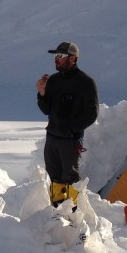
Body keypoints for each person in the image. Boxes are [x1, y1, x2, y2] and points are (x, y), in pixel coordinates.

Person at [36, 41, 99, 207]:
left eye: (60, 56)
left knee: (70, 178)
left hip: (70, 141)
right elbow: (47, 109)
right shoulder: (54, 80)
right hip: (52, 138)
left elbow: (91, 115)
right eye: (55, 56)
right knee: (54, 176)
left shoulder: (86, 83)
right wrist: (42, 94)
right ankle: (57, 211)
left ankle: (73, 214)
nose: (56, 59)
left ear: (72, 58)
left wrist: (70, 129)